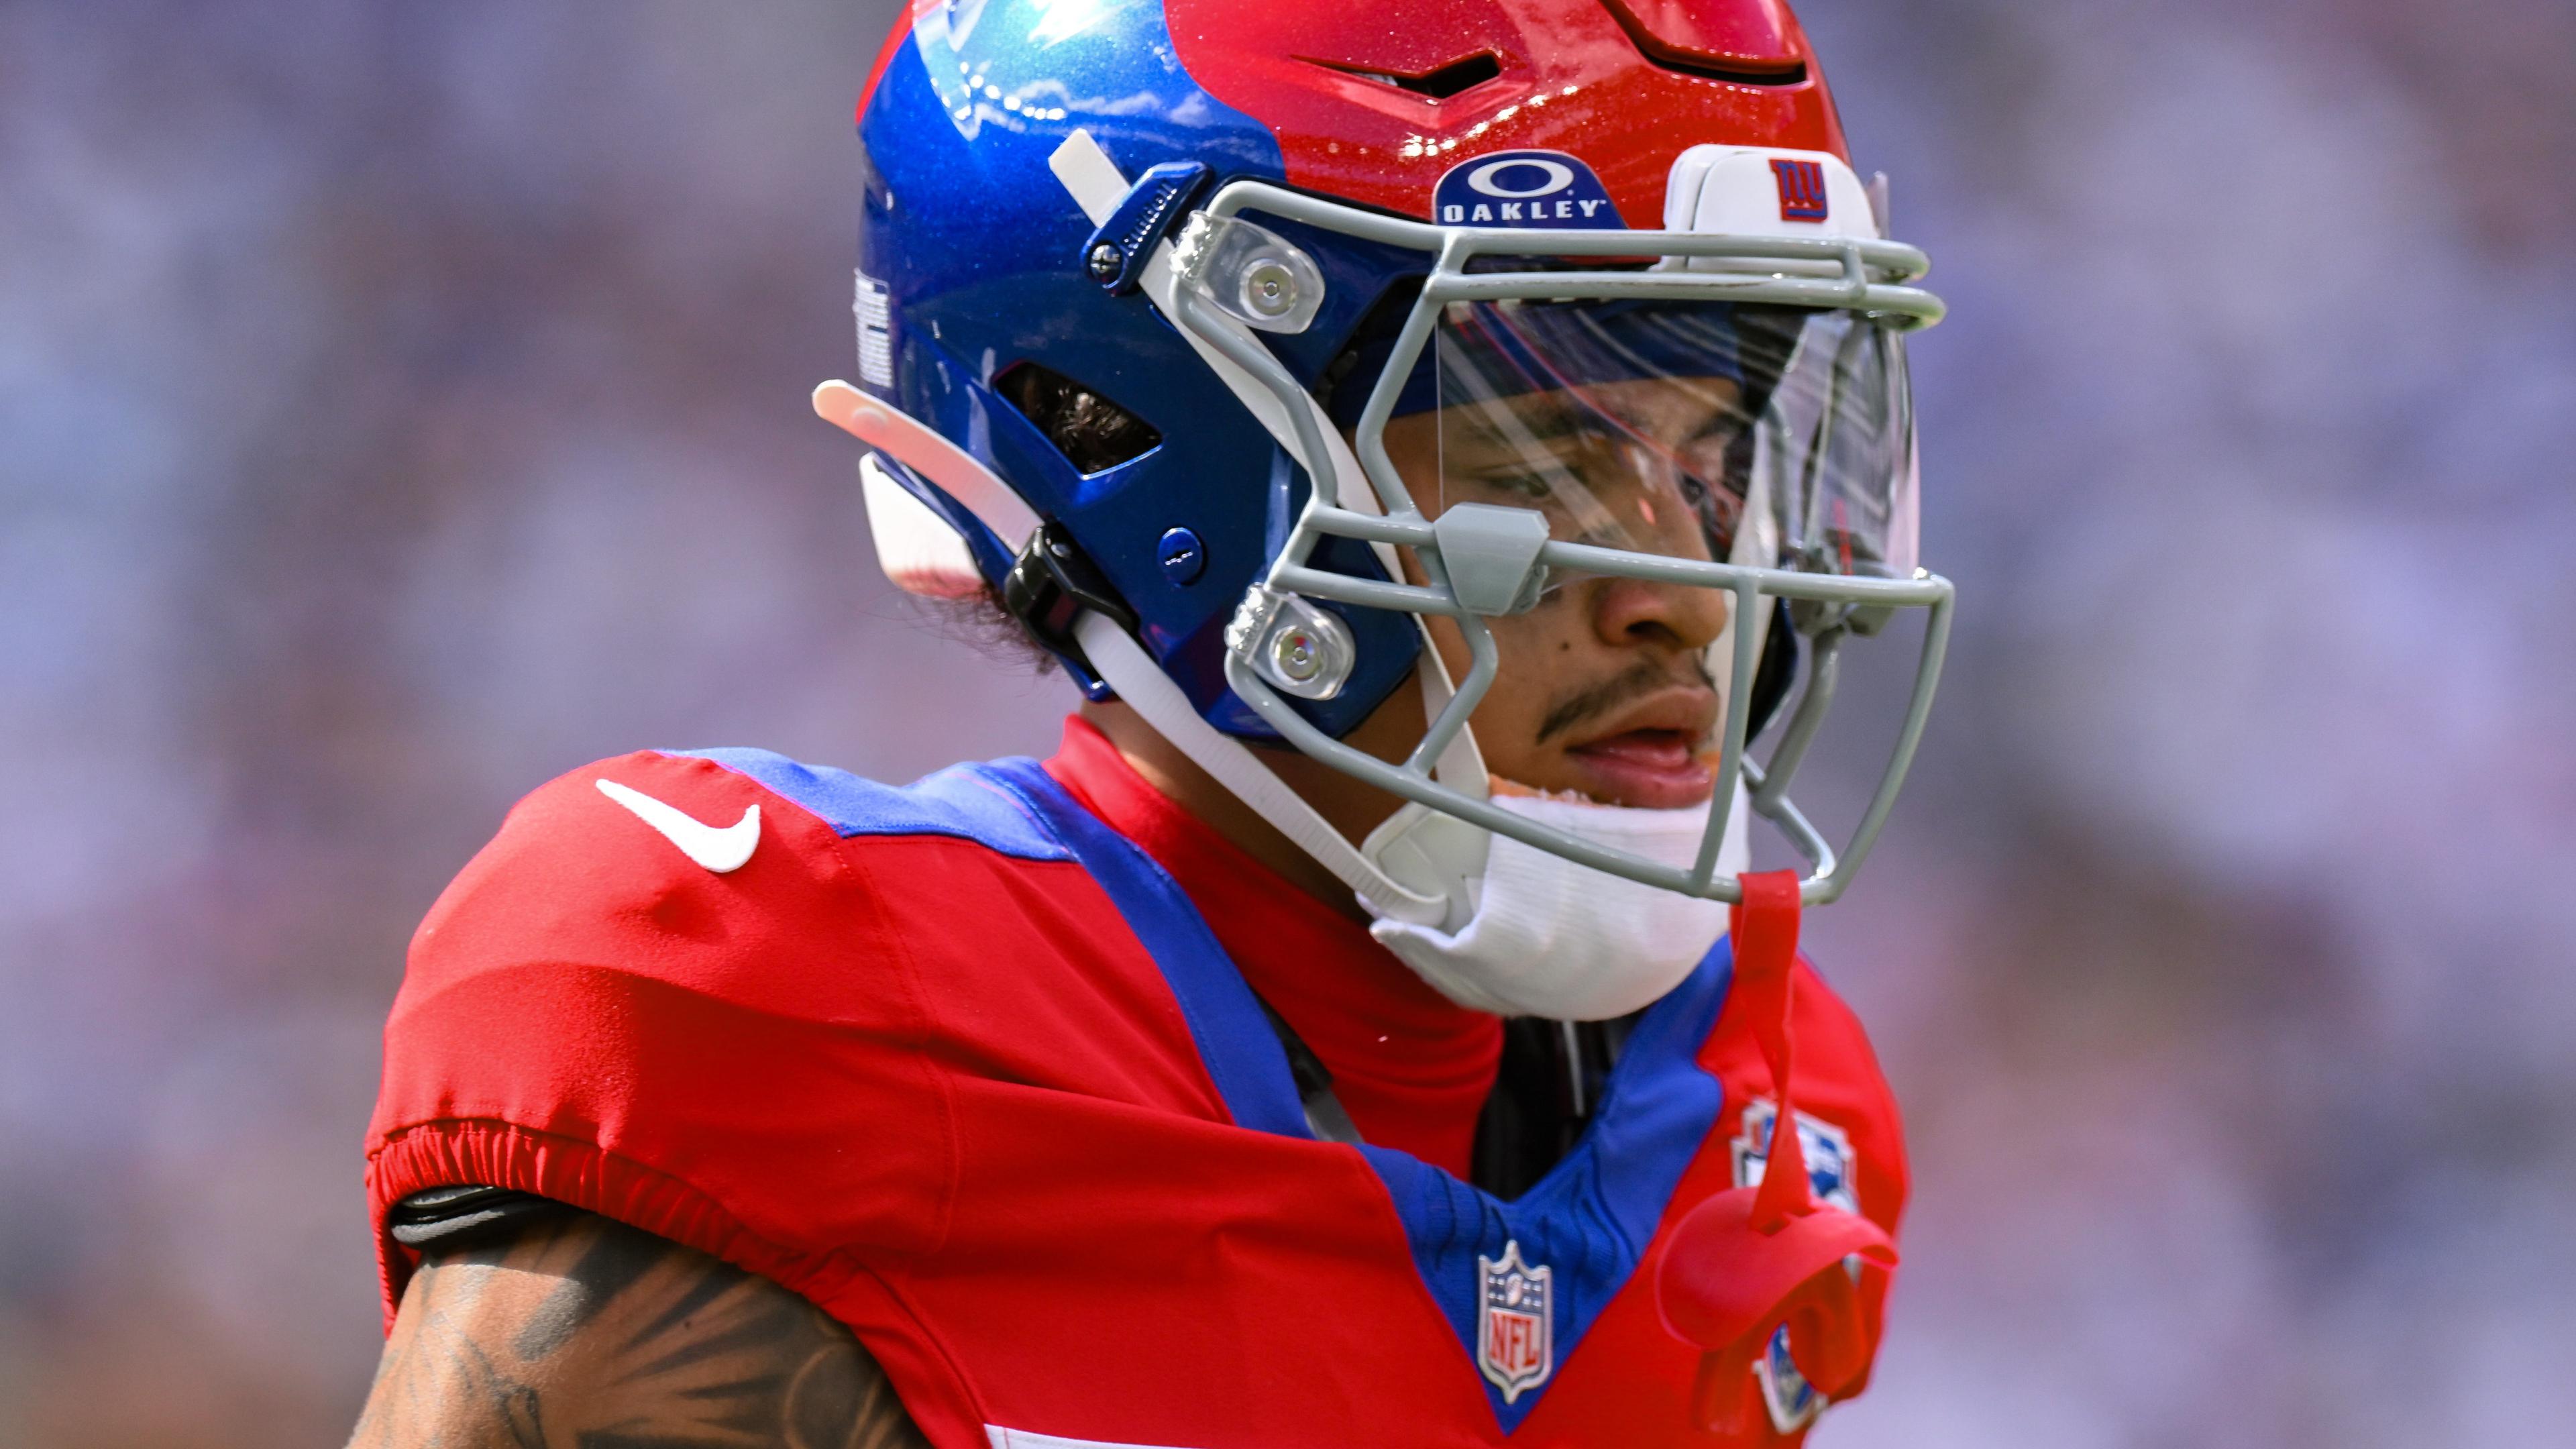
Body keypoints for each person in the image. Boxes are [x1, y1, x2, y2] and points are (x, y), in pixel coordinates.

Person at [349, 1, 1955, 1444]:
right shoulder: (810, 1014)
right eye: (1538, 453)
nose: (1682, 582)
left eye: (1714, 455)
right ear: (1130, 439)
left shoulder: (1768, 1108)